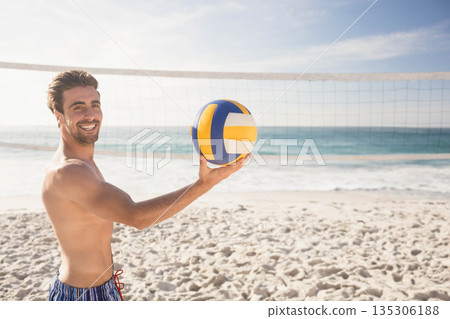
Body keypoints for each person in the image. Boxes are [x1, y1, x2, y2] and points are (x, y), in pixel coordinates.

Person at [42, 70, 250, 301]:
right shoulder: (68, 172)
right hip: (79, 296)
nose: (91, 114)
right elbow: (136, 217)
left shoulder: (85, 163)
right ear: (58, 116)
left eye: (95, 104)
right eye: (78, 107)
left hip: (106, 287)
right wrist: (204, 184)